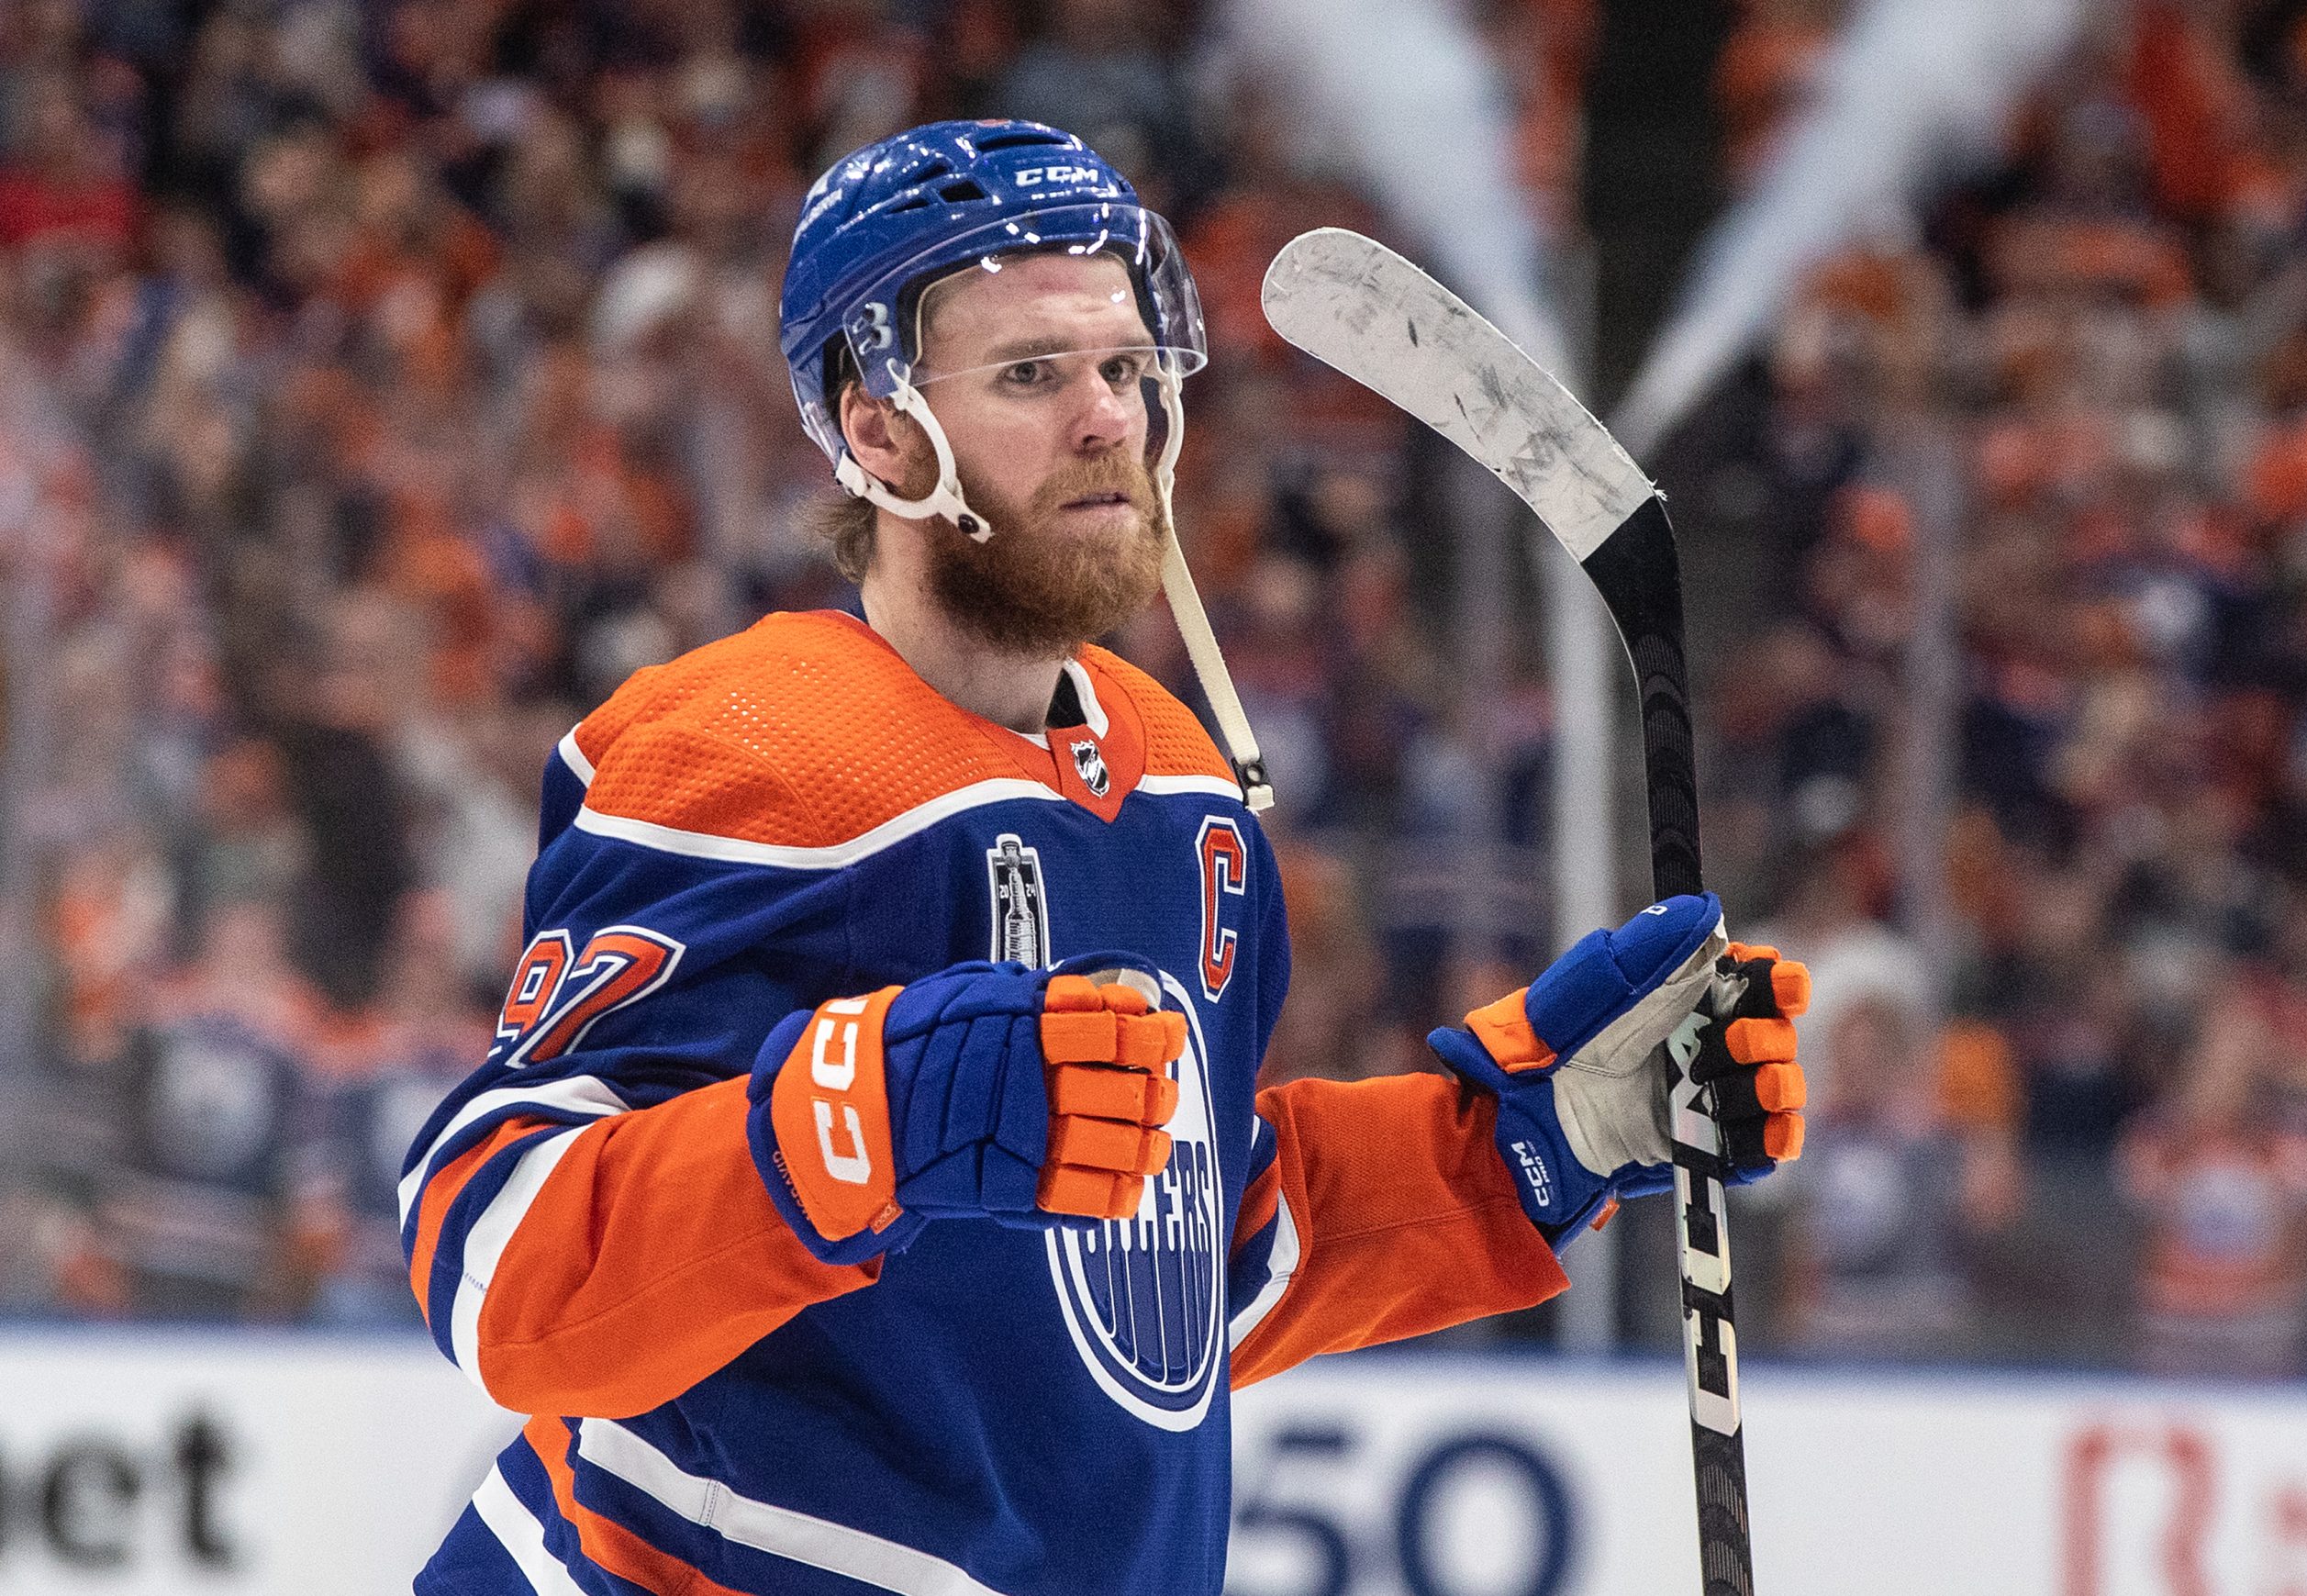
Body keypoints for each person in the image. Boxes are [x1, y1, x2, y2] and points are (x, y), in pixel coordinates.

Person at [398, 119, 1810, 1596]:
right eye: (1031, 374)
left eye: (1127, 368)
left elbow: (1168, 1286)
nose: (1106, 421)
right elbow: (496, 1260)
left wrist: (1533, 1139)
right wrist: (862, 1120)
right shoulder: (755, 751)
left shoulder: (1180, 789)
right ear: (878, 430)